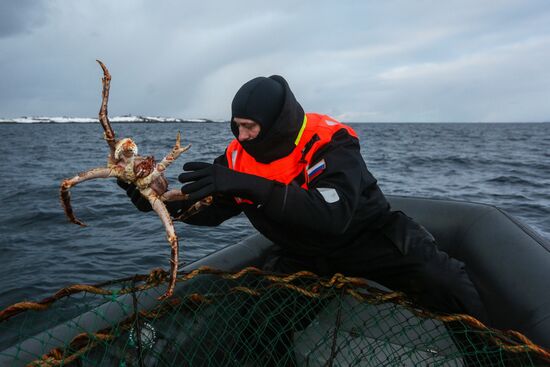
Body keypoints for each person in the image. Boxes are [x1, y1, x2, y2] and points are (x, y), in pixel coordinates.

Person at [120, 75, 488, 322]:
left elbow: (332, 215)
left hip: (369, 239)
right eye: (237, 125)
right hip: (302, 254)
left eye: (251, 126)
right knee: (258, 318)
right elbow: (207, 212)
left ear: (276, 120)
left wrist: (247, 185)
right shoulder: (235, 158)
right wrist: (151, 199)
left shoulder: (331, 143)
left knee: (447, 283)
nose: (243, 135)